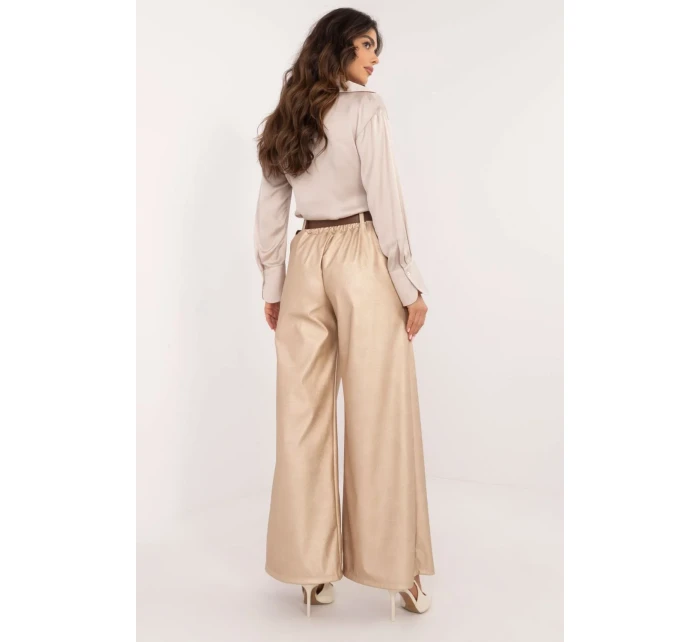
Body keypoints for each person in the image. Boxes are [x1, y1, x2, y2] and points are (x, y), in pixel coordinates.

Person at [253, 8, 435, 621]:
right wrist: (407, 283)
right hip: (360, 251)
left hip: (306, 255)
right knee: (380, 410)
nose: (374, 58)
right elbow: (385, 196)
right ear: (338, 47)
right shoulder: (366, 110)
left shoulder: (287, 116)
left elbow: (271, 203)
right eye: (366, 45)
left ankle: (311, 571)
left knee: (301, 415)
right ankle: (396, 570)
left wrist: (274, 283)